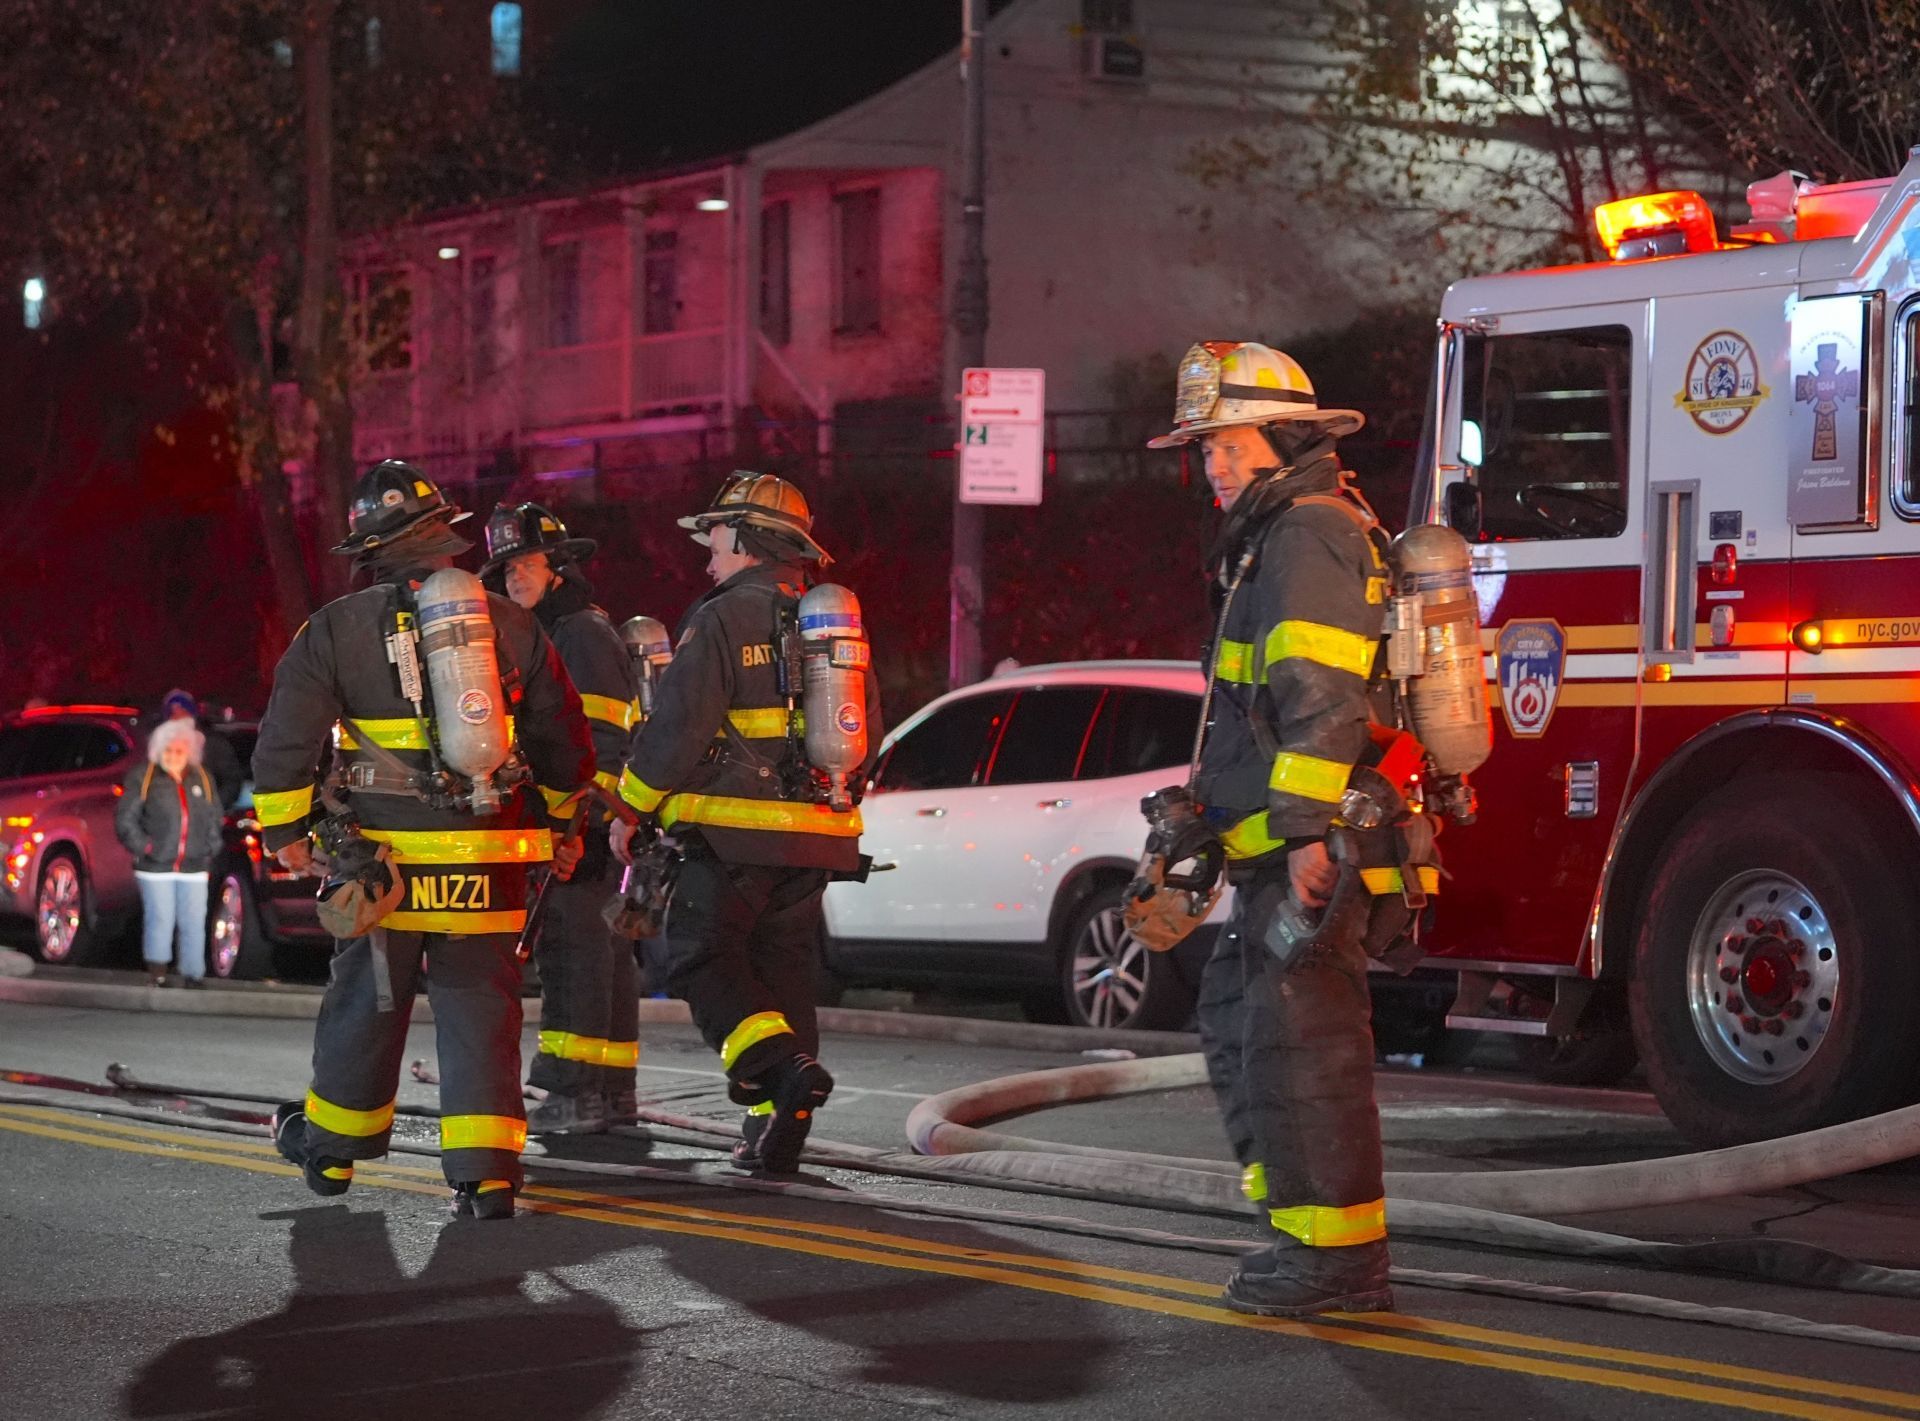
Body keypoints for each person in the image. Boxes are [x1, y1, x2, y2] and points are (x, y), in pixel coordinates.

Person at [251, 460, 594, 1220]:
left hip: (386, 864)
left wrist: (286, 830)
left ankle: (333, 1152)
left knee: (368, 1001)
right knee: (482, 1006)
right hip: (491, 855)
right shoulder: (510, 621)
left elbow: (286, 741)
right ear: (445, 536)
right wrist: (565, 821)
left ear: (371, 546)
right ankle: (489, 1172)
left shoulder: (336, 629)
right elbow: (566, 739)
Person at [1144, 341, 1396, 1316]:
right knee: (1240, 1028)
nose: (1208, 464)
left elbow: (1322, 696)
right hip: (1279, 847)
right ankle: (1297, 1227)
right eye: (1203, 447)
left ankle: (1335, 1259)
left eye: (1221, 443)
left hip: (1312, 848)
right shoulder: (1279, 534)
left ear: (1276, 436)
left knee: (1301, 1048)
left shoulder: (1306, 533)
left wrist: (1302, 840)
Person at [611, 473, 882, 1174]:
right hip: (818, 837)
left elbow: (677, 726)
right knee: (782, 968)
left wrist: (630, 806)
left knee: (701, 956)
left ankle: (778, 1070)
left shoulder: (722, 616)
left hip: (732, 834)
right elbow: (866, 729)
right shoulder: (829, 620)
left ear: (744, 535)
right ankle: (776, 1130)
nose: (708, 557)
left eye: (716, 538)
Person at [480, 502, 642, 1134]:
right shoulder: (555, 630)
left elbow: (598, 741)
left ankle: (572, 1094)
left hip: (582, 825)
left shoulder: (577, 633)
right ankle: (610, 1093)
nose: (512, 575)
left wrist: (567, 826)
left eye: (524, 562)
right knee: (603, 955)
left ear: (559, 565)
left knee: (575, 955)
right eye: (504, 566)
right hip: (588, 822)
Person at [114, 718, 224, 987]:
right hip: (155, 866)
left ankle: (192, 973)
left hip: (194, 864)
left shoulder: (203, 779)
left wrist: (211, 846)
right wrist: (146, 847)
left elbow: (214, 816)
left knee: (194, 921)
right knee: (160, 917)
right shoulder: (145, 777)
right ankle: (158, 971)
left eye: (180, 751)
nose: (174, 756)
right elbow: (126, 819)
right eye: (169, 750)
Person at [160, 689, 245, 810]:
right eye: (173, 714)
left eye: (183, 713)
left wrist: (213, 808)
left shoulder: (214, 746)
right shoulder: (160, 747)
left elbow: (231, 782)